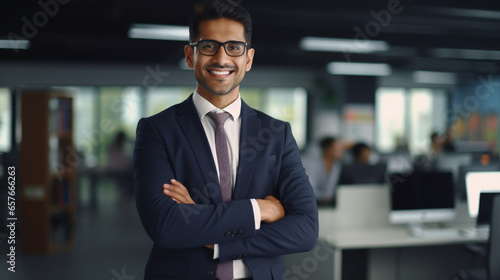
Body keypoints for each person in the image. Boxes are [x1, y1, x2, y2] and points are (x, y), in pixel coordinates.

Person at [133, 1, 319, 279]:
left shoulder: (276, 133)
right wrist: (260, 208)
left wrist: (215, 239)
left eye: (234, 47)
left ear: (249, 59)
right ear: (189, 55)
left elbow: (305, 230)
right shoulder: (157, 130)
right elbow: (166, 226)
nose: (221, 59)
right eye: (209, 46)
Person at [303, 137, 344, 206]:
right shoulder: (313, 163)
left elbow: (330, 192)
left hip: (325, 203)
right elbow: (309, 189)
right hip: (308, 202)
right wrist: (325, 197)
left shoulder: (336, 165)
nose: (341, 151)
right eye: (337, 148)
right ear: (327, 149)